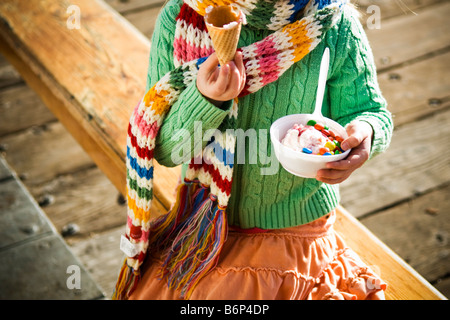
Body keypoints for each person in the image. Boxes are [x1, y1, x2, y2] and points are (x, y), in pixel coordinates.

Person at [115, 0, 393, 300]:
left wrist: (365, 133)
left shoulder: (333, 25)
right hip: (204, 224)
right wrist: (205, 100)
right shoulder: (180, 19)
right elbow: (167, 150)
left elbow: (370, 111)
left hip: (297, 230)